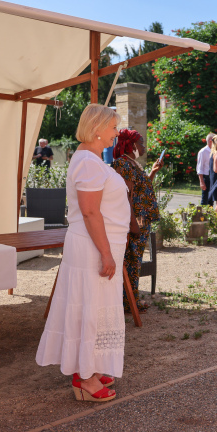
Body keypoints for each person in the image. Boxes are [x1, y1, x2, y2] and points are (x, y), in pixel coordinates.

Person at [36, 104, 130, 403]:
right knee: (90, 308)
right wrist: (106, 253)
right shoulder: (89, 162)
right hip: (93, 245)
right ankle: (84, 378)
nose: (117, 133)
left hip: (97, 243)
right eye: (114, 127)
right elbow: (90, 212)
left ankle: (89, 366)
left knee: (96, 306)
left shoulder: (89, 158)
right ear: (98, 128)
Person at [111, 129, 163, 313]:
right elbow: (126, 196)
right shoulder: (123, 164)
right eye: (140, 143)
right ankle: (129, 302)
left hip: (141, 219)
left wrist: (153, 173)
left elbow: (140, 189)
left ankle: (131, 300)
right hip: (135, 221)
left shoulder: (132, 163)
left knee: (135, 261)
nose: (143, 146)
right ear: (131, 144)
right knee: (131, 262)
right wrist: (132, 225)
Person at [196, 132, 215, 206]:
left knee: (211, 200)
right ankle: (202, 217)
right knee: (205, 199)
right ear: (211, 140)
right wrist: (201, 181)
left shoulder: (215, 151)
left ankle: (210, 216)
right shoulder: (203, 151)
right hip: (206, 177)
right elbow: (199, 168)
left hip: (213, 177)